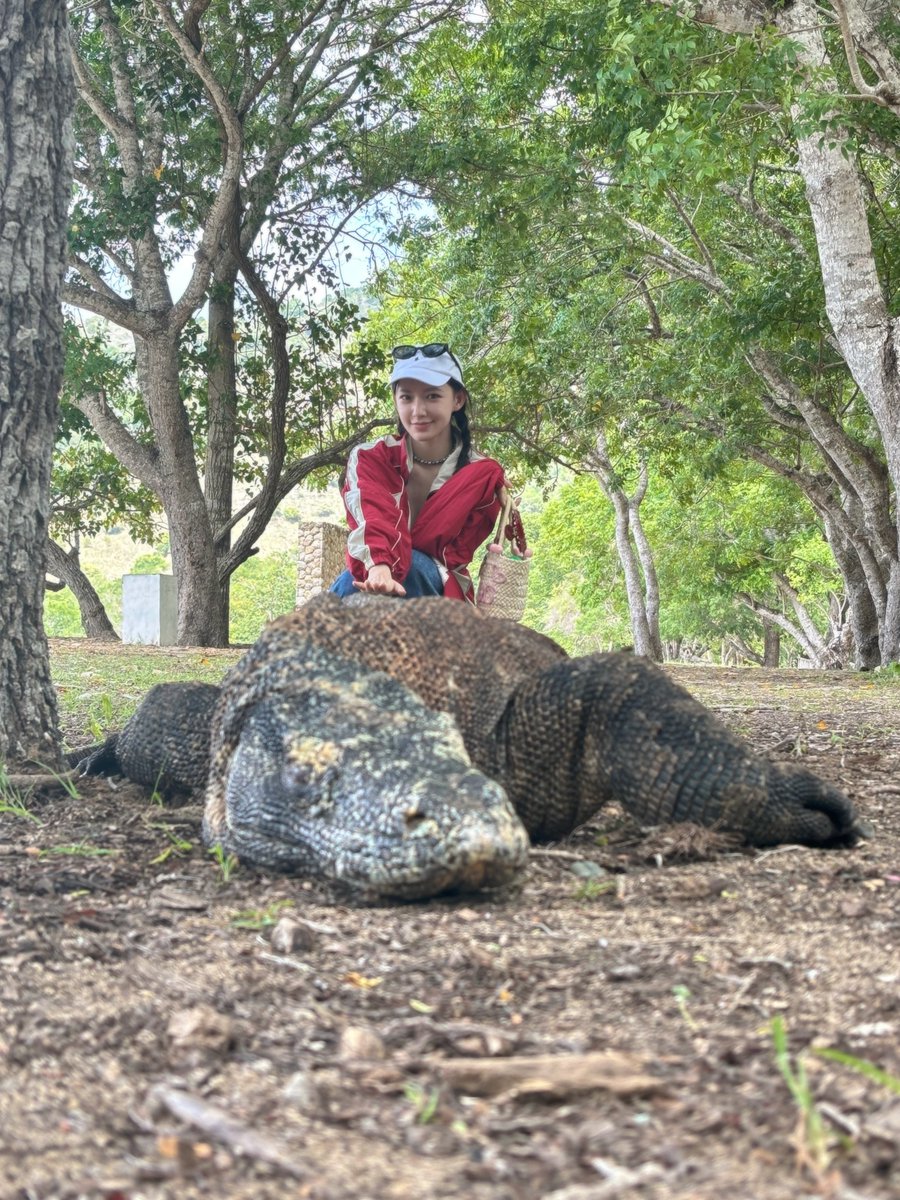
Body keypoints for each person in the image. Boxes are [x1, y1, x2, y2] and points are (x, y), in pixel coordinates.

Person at [329, 343, 507, 601]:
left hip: (440, 585)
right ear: (395, 400)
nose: (418, 411)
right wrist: (380, 566)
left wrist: (394, 564)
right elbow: (372, 512)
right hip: (375, 570)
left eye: (432, 396)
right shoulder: (372, 457)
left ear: (457, 400)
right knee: (348, 585)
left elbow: (452, 553)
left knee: (412, 566)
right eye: (406, 397)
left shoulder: (480, 474)